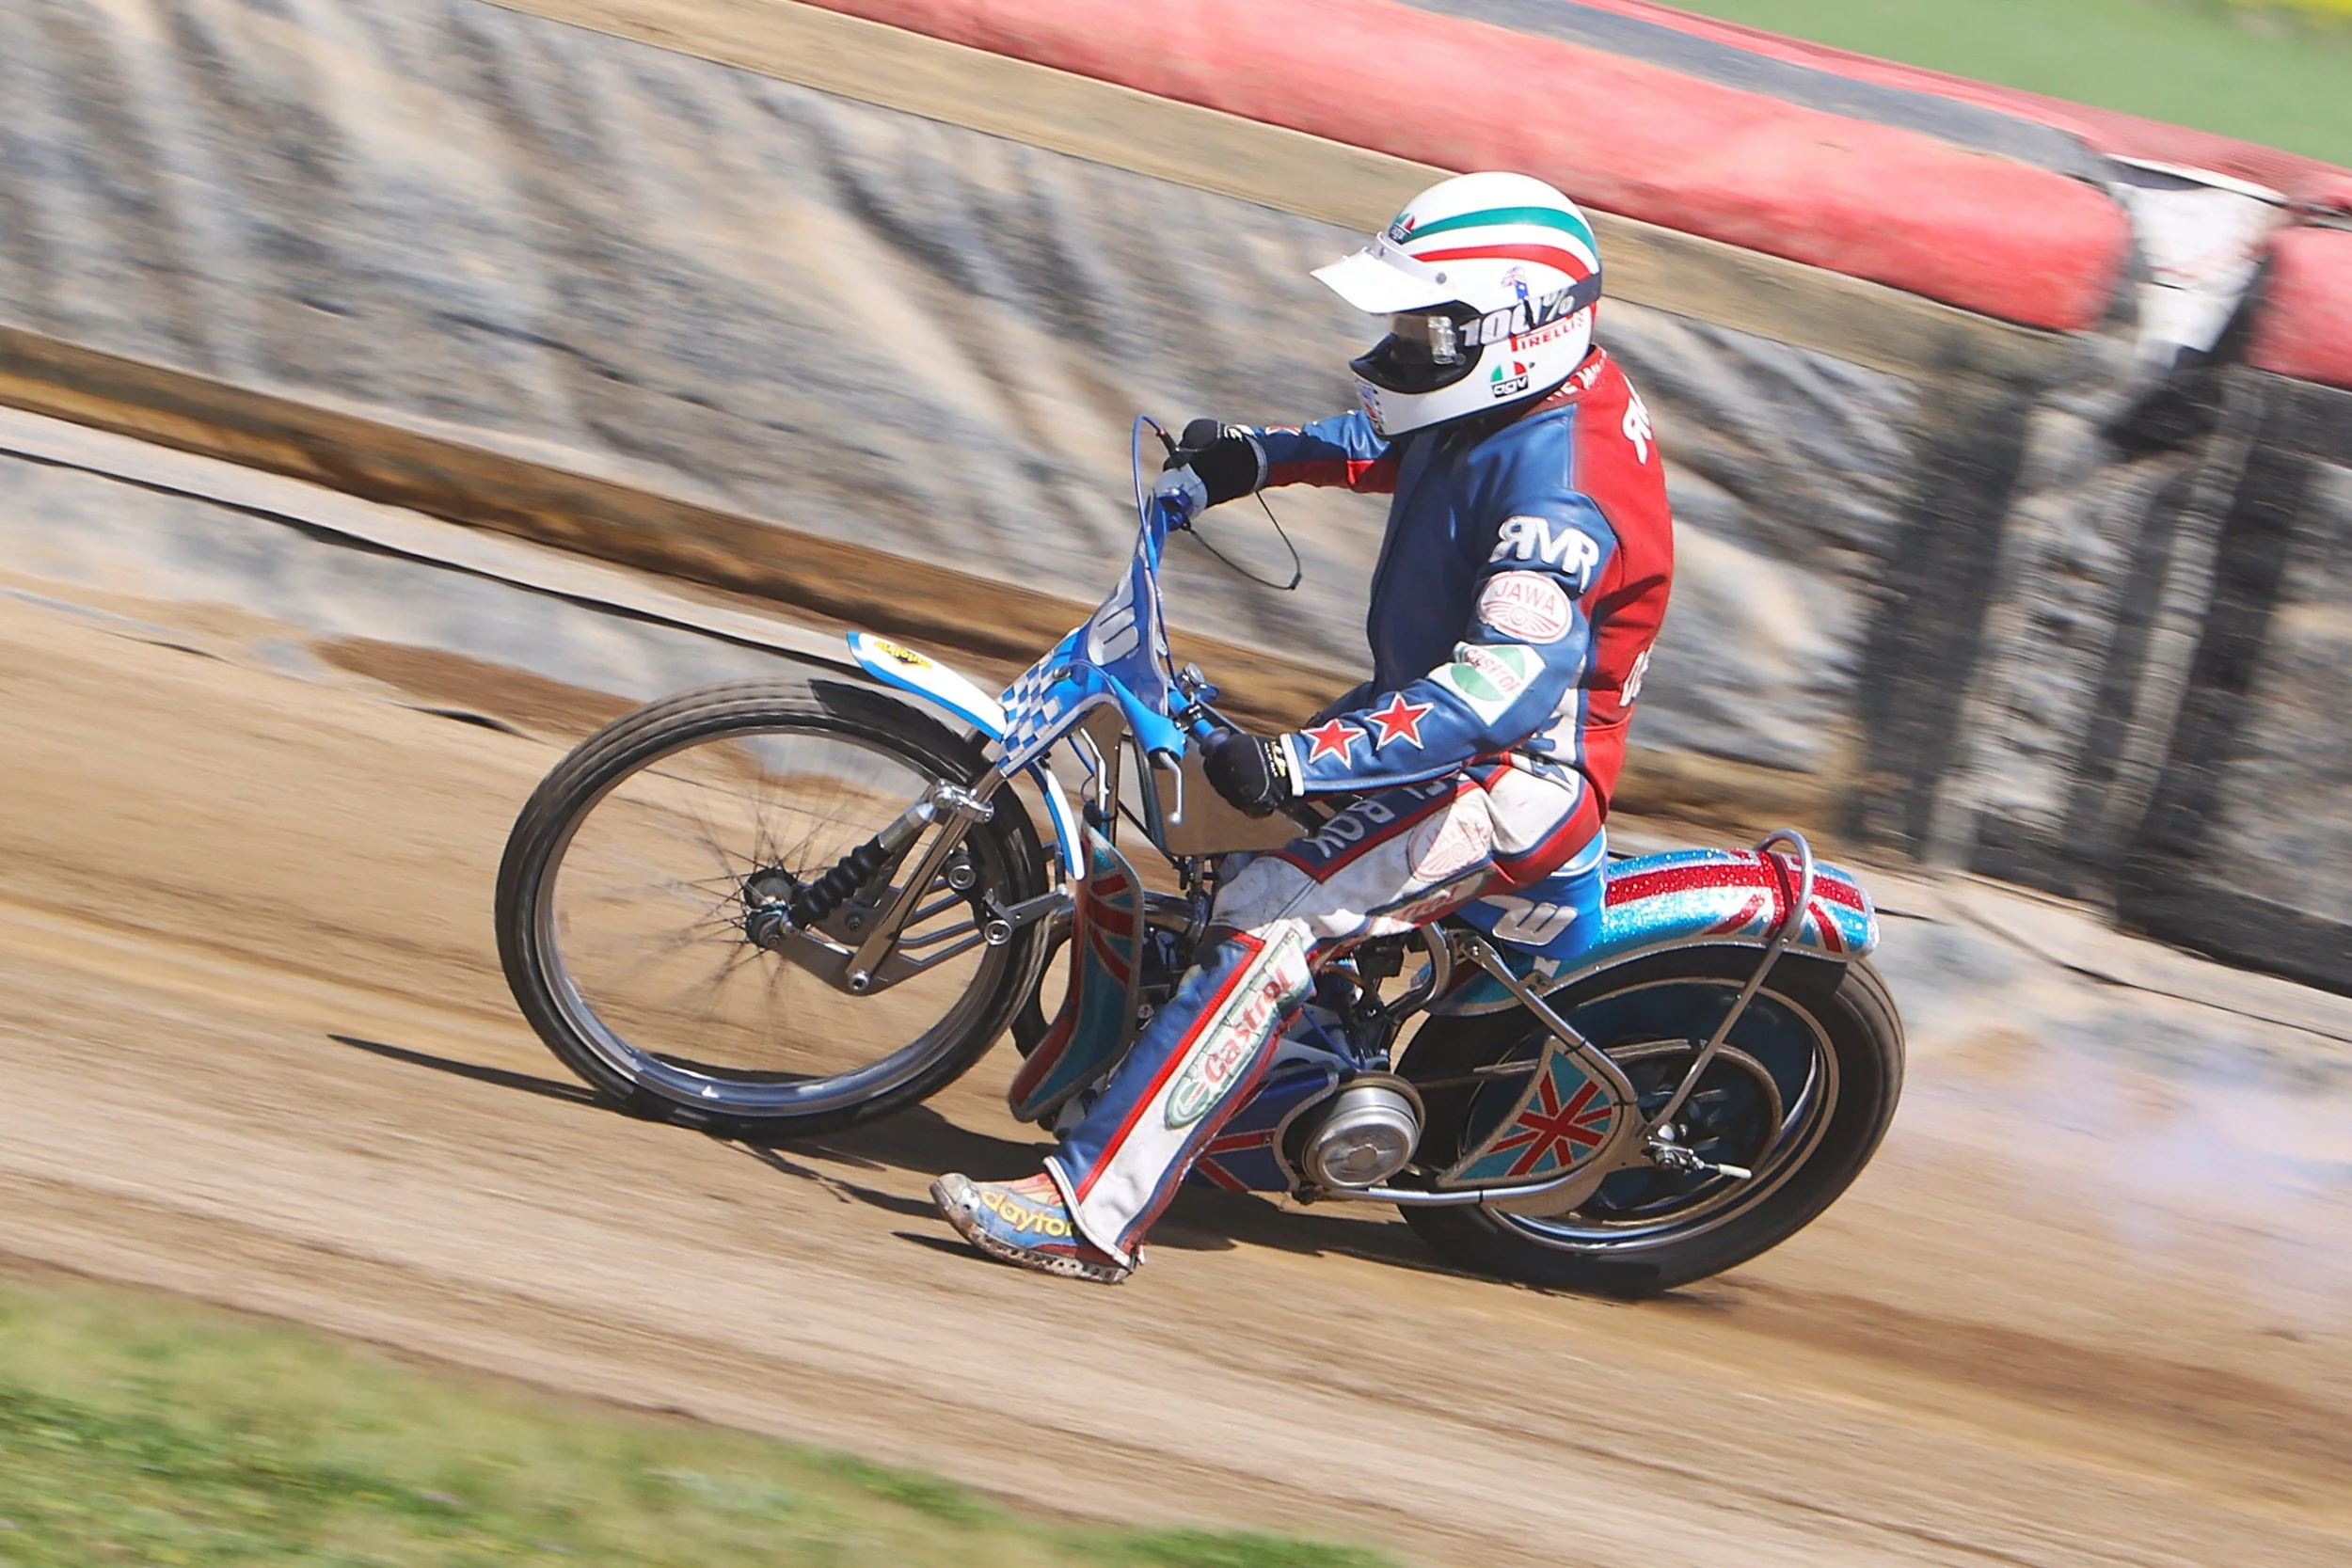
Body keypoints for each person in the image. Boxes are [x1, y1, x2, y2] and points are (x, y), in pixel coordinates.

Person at [931, 171, 1674, 1283]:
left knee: (1269, 914)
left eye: (1426, 327)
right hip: (1426, 723)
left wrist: (1297, 756)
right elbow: (1394, 437)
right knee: (1216, 819)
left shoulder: (1561, 499)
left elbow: (1494, 692)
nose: (1399, 346)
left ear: (1511, 329)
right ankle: (1263, 1053)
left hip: (1509, 773)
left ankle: (1090, 1211)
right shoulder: (1513, 397)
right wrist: (1261, 456)